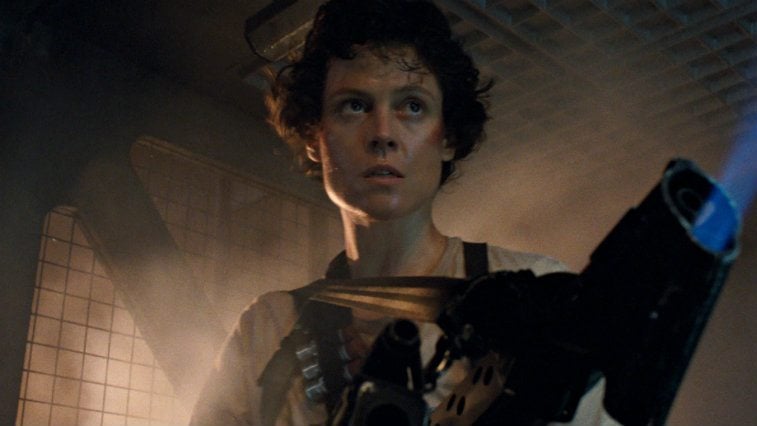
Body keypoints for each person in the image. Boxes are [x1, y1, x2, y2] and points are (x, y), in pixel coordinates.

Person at [191, 0, 617, 424]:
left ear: (448, 137)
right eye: (354, 105)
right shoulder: (267, 328)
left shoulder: (532, 294)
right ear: (313, 136)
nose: (382, 134)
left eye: (412, 106)